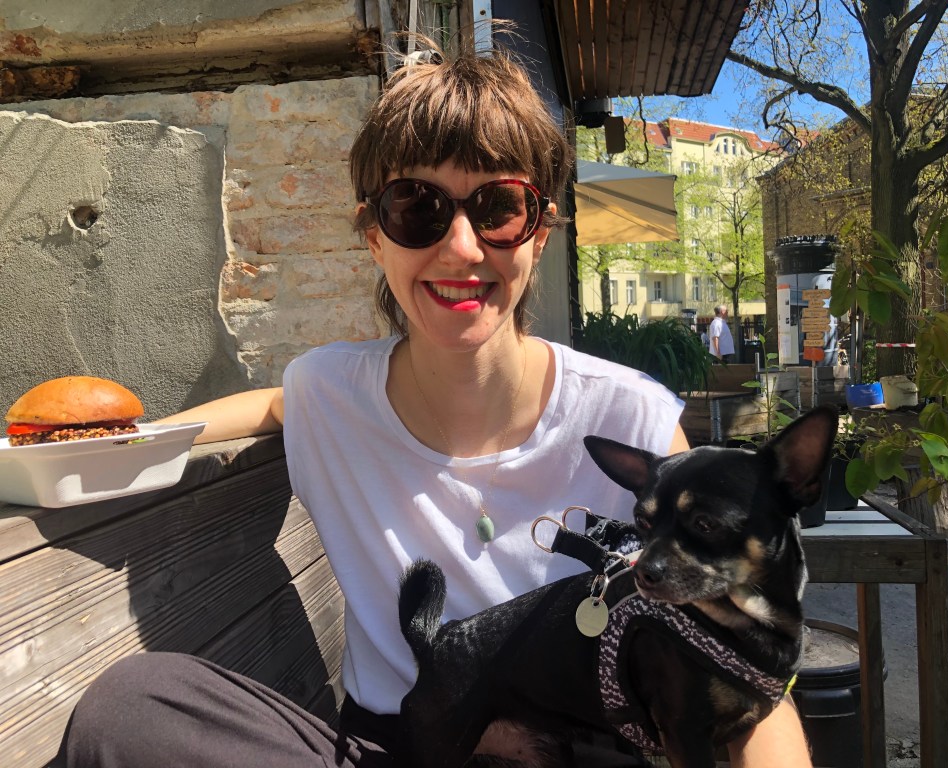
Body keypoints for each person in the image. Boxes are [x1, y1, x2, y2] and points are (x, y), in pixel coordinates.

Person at [55, 40, 811, 768]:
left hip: (586, 746)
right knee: (134, 706)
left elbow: (742, 669)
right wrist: (123, 439)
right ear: (373, 236)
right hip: (402, 745)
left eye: (499, 207)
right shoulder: (330, 394)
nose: (460, 247)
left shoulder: (630, 421)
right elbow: (274, 406)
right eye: (416, 207)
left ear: (540, 232)